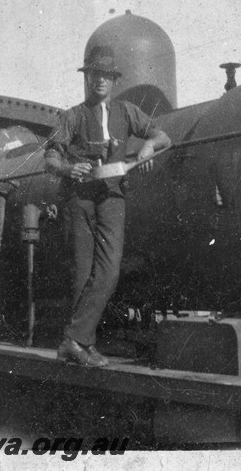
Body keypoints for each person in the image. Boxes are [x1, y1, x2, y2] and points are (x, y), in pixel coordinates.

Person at [44, 45, 171, 367]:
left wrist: (146, 149)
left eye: (105, 76)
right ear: (87, 79)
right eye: (94, 75)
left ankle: (72, 341)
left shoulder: (127, 112)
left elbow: (162, 138)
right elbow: (50, 157)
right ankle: (80, 346)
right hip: (80, 199)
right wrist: (67, 169)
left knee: (109, 272)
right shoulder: (71, 116)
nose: (99, 81)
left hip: (113, 198)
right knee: (82, 274)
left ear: (113, 81)